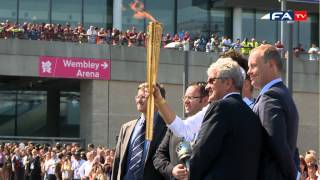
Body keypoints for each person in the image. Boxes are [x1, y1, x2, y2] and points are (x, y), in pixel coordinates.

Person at [153, 58, 262, 179]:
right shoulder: (252, 113)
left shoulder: (219, 107)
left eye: (211, 81)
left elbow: (202, 152)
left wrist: (190, 174)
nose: (207, 87)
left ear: (228, 83)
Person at [248, 44, 299, 180]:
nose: (249, 72)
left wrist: (293, 175)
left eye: (253, 66)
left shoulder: (270, 97)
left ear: (271, 65)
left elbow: (278, 144)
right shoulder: (283, 93)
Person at [153, 82, 209, 180]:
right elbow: (158, 156)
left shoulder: (212, 127)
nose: (186, 101)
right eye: (185, 97)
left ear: (205, 100)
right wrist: (172, 170)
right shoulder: (174, 128)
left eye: (190, 98)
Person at [112, 83, 167, 180]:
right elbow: (117, 161)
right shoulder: (126, 128)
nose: (138, 100)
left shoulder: (168, 129)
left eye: (143, 97)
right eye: (138, 96)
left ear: (157, 99)